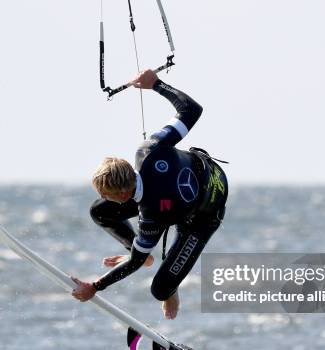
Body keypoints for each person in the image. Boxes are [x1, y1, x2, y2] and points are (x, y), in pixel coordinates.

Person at [71, 69, 228, 319]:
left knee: (161, 288)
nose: (106, 198)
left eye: (107, 194)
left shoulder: (150, 218)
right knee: (99, 211)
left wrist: (95, 287)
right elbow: (191, 110)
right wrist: (156, 84)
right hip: (184, 189)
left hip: (204, 214)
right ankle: (139, 251)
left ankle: (159, 273)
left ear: (122, 195)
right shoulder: (150, 150)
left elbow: (133, 263)